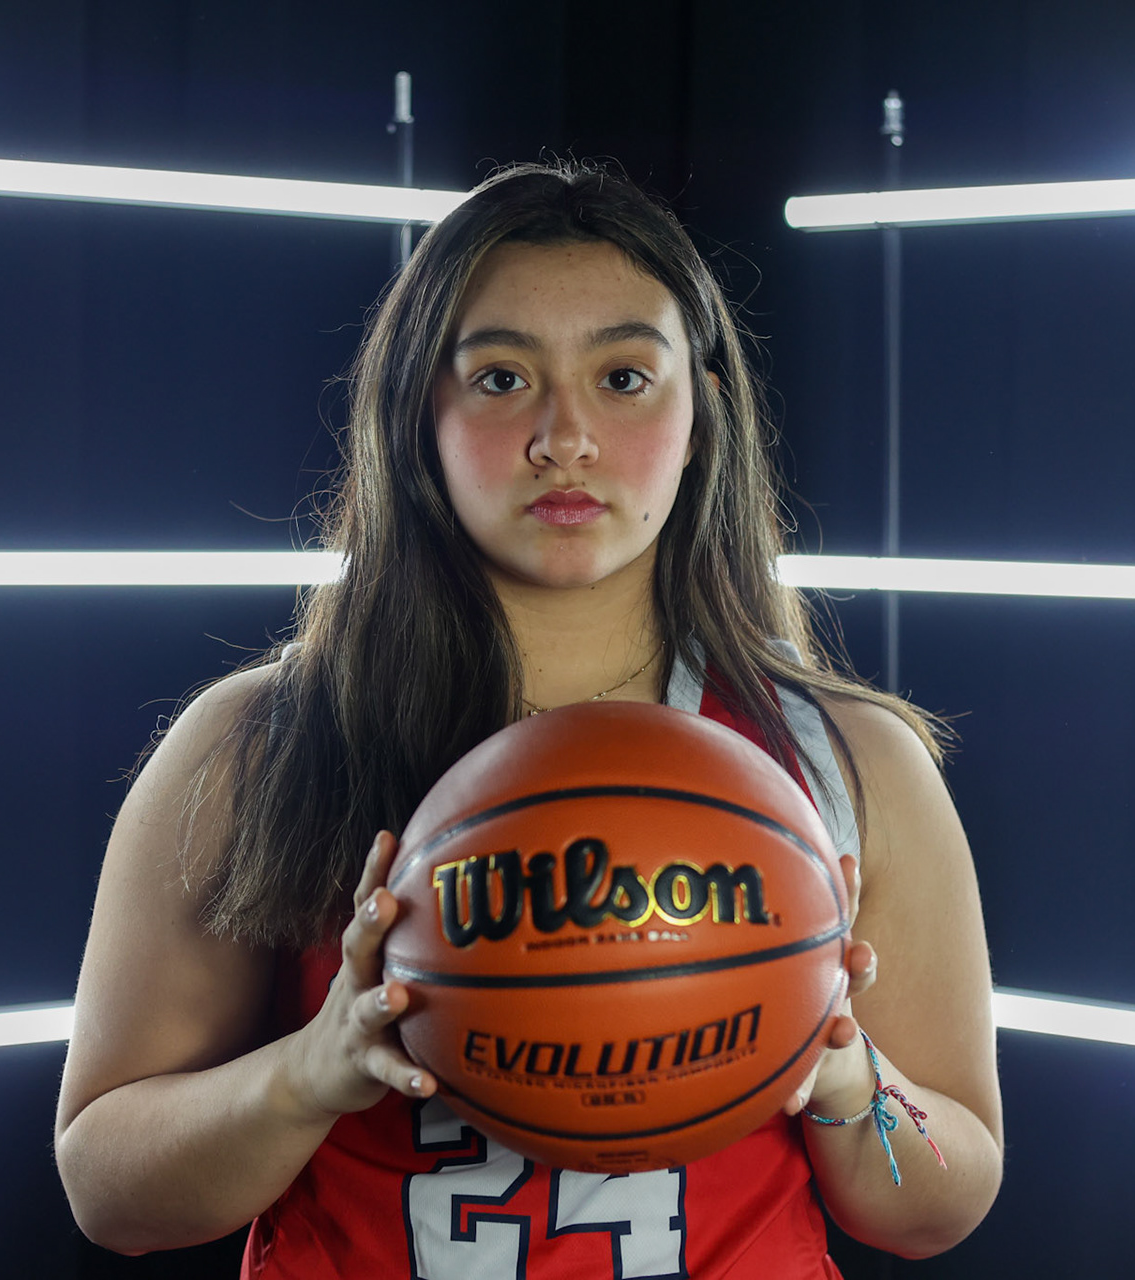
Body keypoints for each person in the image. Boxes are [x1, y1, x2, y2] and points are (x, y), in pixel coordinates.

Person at [53, 159, 1002, 1277]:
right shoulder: (260, 743)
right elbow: (108, 1189)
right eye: (501, 378)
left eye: (625, 376)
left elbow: (941, 1202)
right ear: (421, 413)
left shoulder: (845, 759)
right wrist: (311, 1069)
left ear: (700, 413)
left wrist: (846, 1072)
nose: (567, 436)